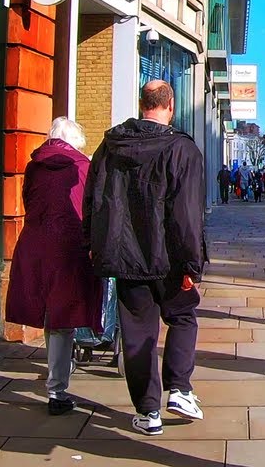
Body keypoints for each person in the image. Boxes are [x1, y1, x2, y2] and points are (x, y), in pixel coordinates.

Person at [84, 80, 207, 436]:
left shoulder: (109, 146)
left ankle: (148, 412)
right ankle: (180, 389)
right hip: (169, 258)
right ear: (170, 105)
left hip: (126, 256)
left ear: (142, 103)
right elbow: (187, 214)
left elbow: (92, 201)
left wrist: (93, 244)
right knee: (182, 317)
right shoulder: (182, 149)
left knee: (138, 334)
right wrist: (191, 264)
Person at [5, 117, 101, 416]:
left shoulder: (34, 166)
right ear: (75, 143)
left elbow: (28, 202)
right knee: (64, 317)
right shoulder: (83, 166)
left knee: (50, 313)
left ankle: (58, 372)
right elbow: (91, 209)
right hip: (69, 248)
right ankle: (57, 390)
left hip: (34, 245)